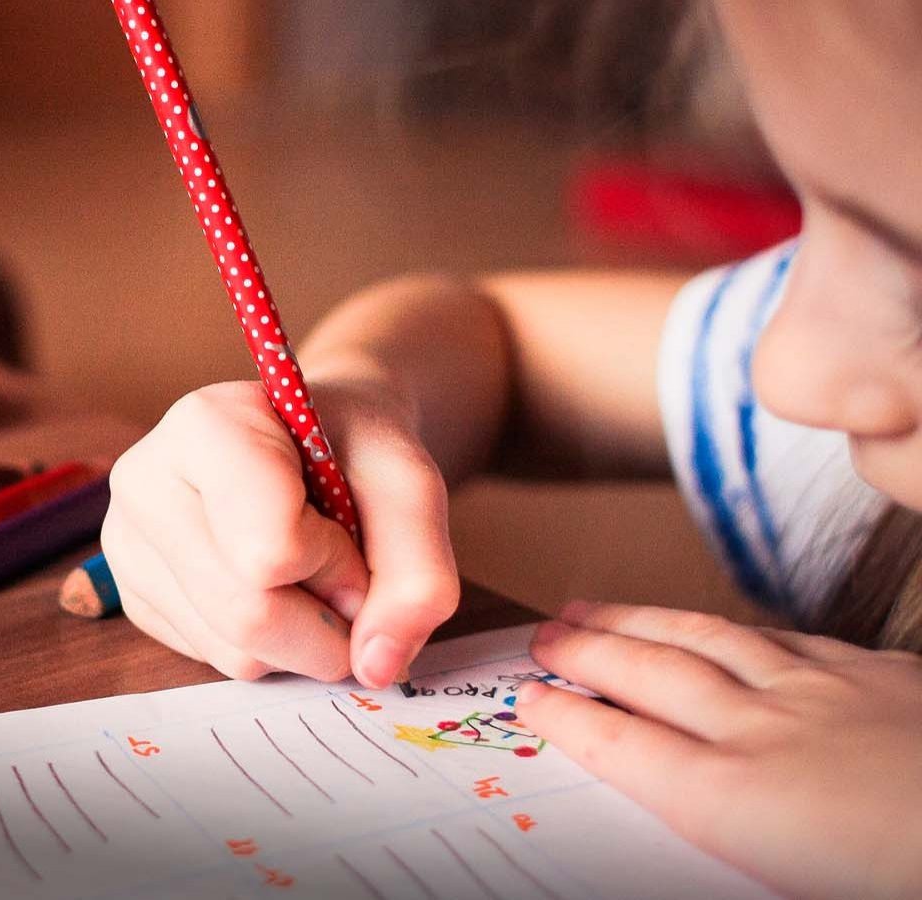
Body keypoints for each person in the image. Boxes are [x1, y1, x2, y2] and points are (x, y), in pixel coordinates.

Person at [100, 2, 922, 896]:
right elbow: (500, 341)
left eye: (916, 282)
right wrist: (361, 401)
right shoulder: (843, 387)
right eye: (807, 227)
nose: (783, 367)